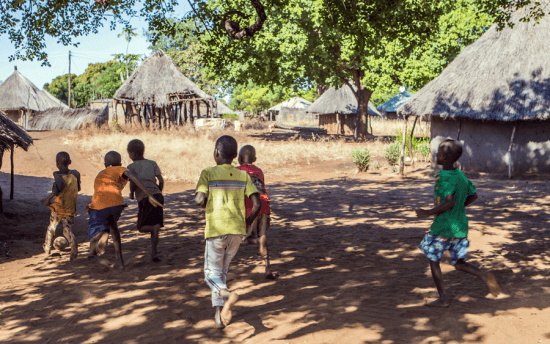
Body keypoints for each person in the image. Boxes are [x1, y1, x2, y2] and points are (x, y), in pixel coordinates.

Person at [415, 139, 501, 307]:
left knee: (433, 260)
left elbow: (449, 201)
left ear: (445, 157)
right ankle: (484, 275)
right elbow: (473, 195)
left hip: (443, 226)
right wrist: (459, 208)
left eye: (439, 152)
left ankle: (443, 299)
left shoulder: (443, 176)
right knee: (459, 263)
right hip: (460, 226)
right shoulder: (460, 175)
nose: (436, 154)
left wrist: (428, 212)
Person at [195, 135, 262, 329]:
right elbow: (256, 204)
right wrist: (247, 223)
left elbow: (199, 200)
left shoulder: (208, 172)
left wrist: (211, 207)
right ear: (235, 156)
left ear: (216, 152)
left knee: (210, 274)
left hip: (217, 229)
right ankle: (219, 313)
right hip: (237, 231)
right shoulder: (243, 175)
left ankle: (227, 296)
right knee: (221, 272)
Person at [87, 151, 163, 270]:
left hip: (99, 204)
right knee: (114, 228)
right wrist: (149, 194)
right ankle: (119, 261)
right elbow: (132, 176)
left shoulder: (100, 173)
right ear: (120, 163)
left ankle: (100, 238)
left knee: (95, 233)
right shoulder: (121, 169)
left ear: (105, 164)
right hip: (116, 203)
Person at [237, 144, 277, 279]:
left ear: (239, 158)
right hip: (264, 206)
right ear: (255, 159)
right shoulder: (259, 171)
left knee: (244, 238)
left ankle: (258, 242)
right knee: (263, 234)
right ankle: (268, 269)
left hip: (249, 207)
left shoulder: (237, 171)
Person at [127, 139, 165, 262]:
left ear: (132, 154)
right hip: (158, 196)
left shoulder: (131, 167)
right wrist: (158, 192)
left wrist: (132, 193)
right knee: (155, 225)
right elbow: (161, 180)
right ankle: (154, 252)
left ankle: (154, 230)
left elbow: (133, 182)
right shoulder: (152, 163)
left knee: (141, 227)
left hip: (145, 198)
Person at [42, 152, 81, 260]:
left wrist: (48, 200)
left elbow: (56, 191)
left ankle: (47, 248)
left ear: (57, 163)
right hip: (70, 207)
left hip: (58, 208)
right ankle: (73, 245)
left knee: (52, 227)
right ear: (70, 162)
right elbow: (78, 188)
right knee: (67, 229)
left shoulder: (58, 178)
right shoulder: (75, 174)